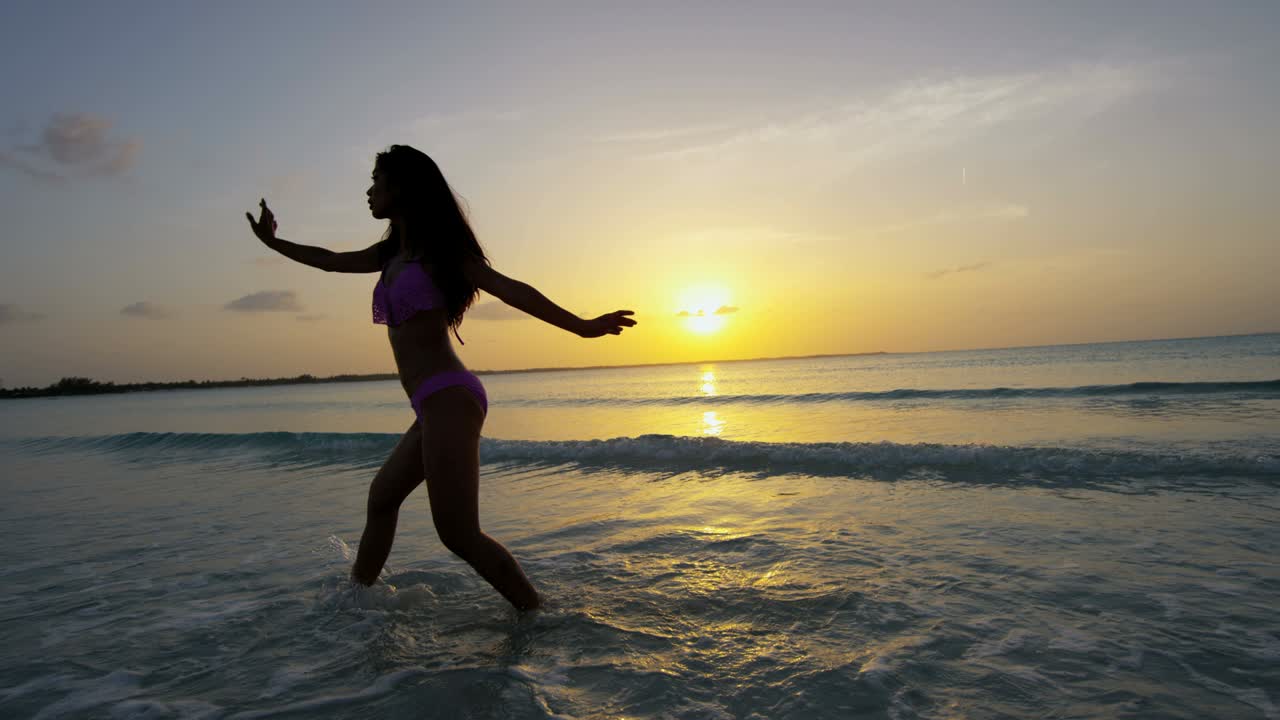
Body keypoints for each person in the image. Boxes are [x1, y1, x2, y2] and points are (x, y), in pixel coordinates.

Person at [245, 144, 636, 610]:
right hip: (430, 404)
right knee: (383, 496)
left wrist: (584, 326)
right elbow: (329, 259)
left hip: (450, 396)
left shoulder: (442, 254)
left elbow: (513, 291)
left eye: (377, 180)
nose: (369, 191)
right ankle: (355, 605)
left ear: (404, 188)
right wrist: (273, 243)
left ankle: (536, 614)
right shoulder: (390, 254)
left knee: (457, 533)